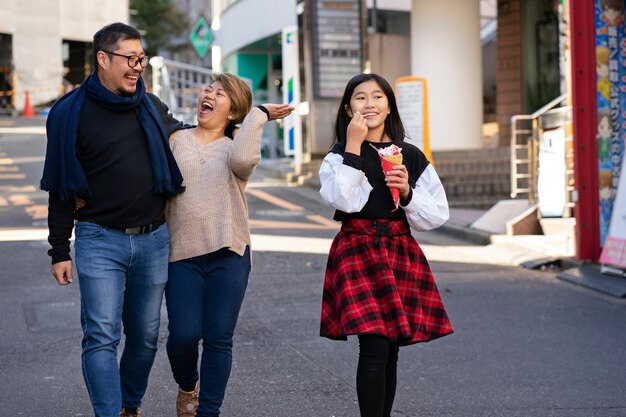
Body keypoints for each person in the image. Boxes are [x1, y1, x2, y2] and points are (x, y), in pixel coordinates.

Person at [40, 22, 185, 417]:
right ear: (103, 59)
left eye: (142, 58)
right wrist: (58, 250)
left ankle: (129, 406)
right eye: (130, 58)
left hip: (154, 238)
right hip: (99, 239)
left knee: (145, 337)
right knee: (102, 335)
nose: (138, 67)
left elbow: (189, 140)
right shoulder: (70, 114)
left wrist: (240, 123)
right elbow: (61, 185)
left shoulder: (151, 107)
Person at [318, 73, 454, 417]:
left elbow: (436, 214)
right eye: (360, 97)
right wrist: (352, 147)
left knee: (391, 348)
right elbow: (343, 201)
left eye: (377, 97)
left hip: (399, 250)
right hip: (356, 249)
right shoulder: (338, 154)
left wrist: (407, 192)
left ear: (389, 105)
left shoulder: (409, 154)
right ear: (348, 107)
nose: (369, 104)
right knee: (374, 345)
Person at [164, 73, 293, 417]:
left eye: (219, 93)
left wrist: (259, 115)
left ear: (234, 111)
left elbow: (244, 162)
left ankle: (208, 412)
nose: (208, 94)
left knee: (219, 338)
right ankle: (187, 384)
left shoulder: (237, 146)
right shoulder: (176, 139)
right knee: (183, 337)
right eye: (208, 89)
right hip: (181, 255)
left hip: (229, 253)